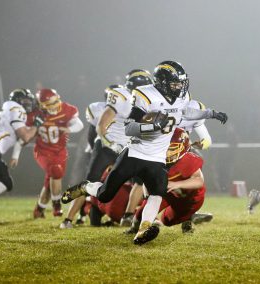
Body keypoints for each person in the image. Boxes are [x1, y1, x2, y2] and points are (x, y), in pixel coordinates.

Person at [62, 60, 227, 245]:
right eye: (175, 83)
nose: (179, 87)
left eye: (181, 83)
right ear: (163, 83)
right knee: (104, 194)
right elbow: (130, 128)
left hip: (157, 157)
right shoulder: (146, 95)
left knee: (157, 194)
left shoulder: (180, 97)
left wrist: (210, 113)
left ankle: (143, 230)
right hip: (135, 153)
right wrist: (154, 125)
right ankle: (85, 187)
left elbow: (185, 111)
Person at [60, 70, 153, 228]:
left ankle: (130, 216)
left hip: (127, 147)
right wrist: (110, 143)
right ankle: (68, 219)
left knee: (143, 180)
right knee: (91, 180)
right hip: (107, 145)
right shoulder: (121, 97)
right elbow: (101, 126)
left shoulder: (147, 103)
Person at [127, 127, 207, 234]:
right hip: (165, 192)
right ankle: (134, 229)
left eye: (172, 148)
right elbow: (147, 178)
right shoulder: (154, 158)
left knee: (167, 220)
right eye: (164, 147)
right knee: (143, 210)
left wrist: (176, 184)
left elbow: (199, 181)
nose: (167, 153)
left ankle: (188, 218)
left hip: (188, 198)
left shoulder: (188, 159)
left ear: (183, 148)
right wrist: (148, 196)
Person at [29, 89, 83, 218]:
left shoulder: (66, 109)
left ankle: (39, 209)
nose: (54, 106)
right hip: (42, 151)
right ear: (41, 105)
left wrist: (68, 128)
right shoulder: (35, 114)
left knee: (51, 181)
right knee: (55, 172)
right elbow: (25, 131)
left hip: (60, 151)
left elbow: (79, 125)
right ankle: (57, 205)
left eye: (56, 102)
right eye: (50, 104)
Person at [0, 89, 40, 197]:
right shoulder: (16, 109)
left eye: (29, 101)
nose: (28, 103)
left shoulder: (10, 109)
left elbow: (25, 137)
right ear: (17, 100)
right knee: (6, 182)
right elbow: (25, 136)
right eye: (25, 100)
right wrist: (37, 124)